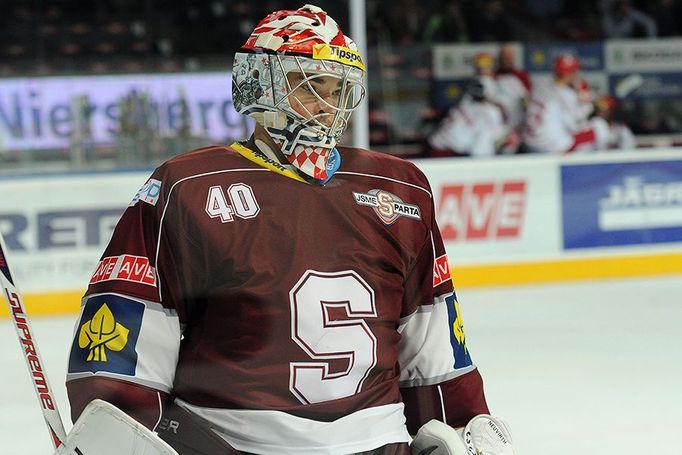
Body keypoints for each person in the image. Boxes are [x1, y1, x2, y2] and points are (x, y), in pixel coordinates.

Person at [65, 4, 512, 455]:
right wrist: (116, 433)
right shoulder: (187, 187)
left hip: (380, 444)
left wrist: (461, 423)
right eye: (312, 84)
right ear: (260, 82)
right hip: (232, 444)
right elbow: (120, 353)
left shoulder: (400, 189)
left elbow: (434, 344)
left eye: (340, 89)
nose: (329, 105)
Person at [522, 54, 598, 154]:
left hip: (530, 144)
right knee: (597, 130)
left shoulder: (539, 87)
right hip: (552, 147)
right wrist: (586, 104)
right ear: (569, 74)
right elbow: (575, 124)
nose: (576, 74)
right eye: (574, 71)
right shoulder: (567, 94)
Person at [428, 77, 510, 157]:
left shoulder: (462, 104)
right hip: (452, 154)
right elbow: (490, 141)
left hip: (435, 147)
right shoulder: (490, 111)